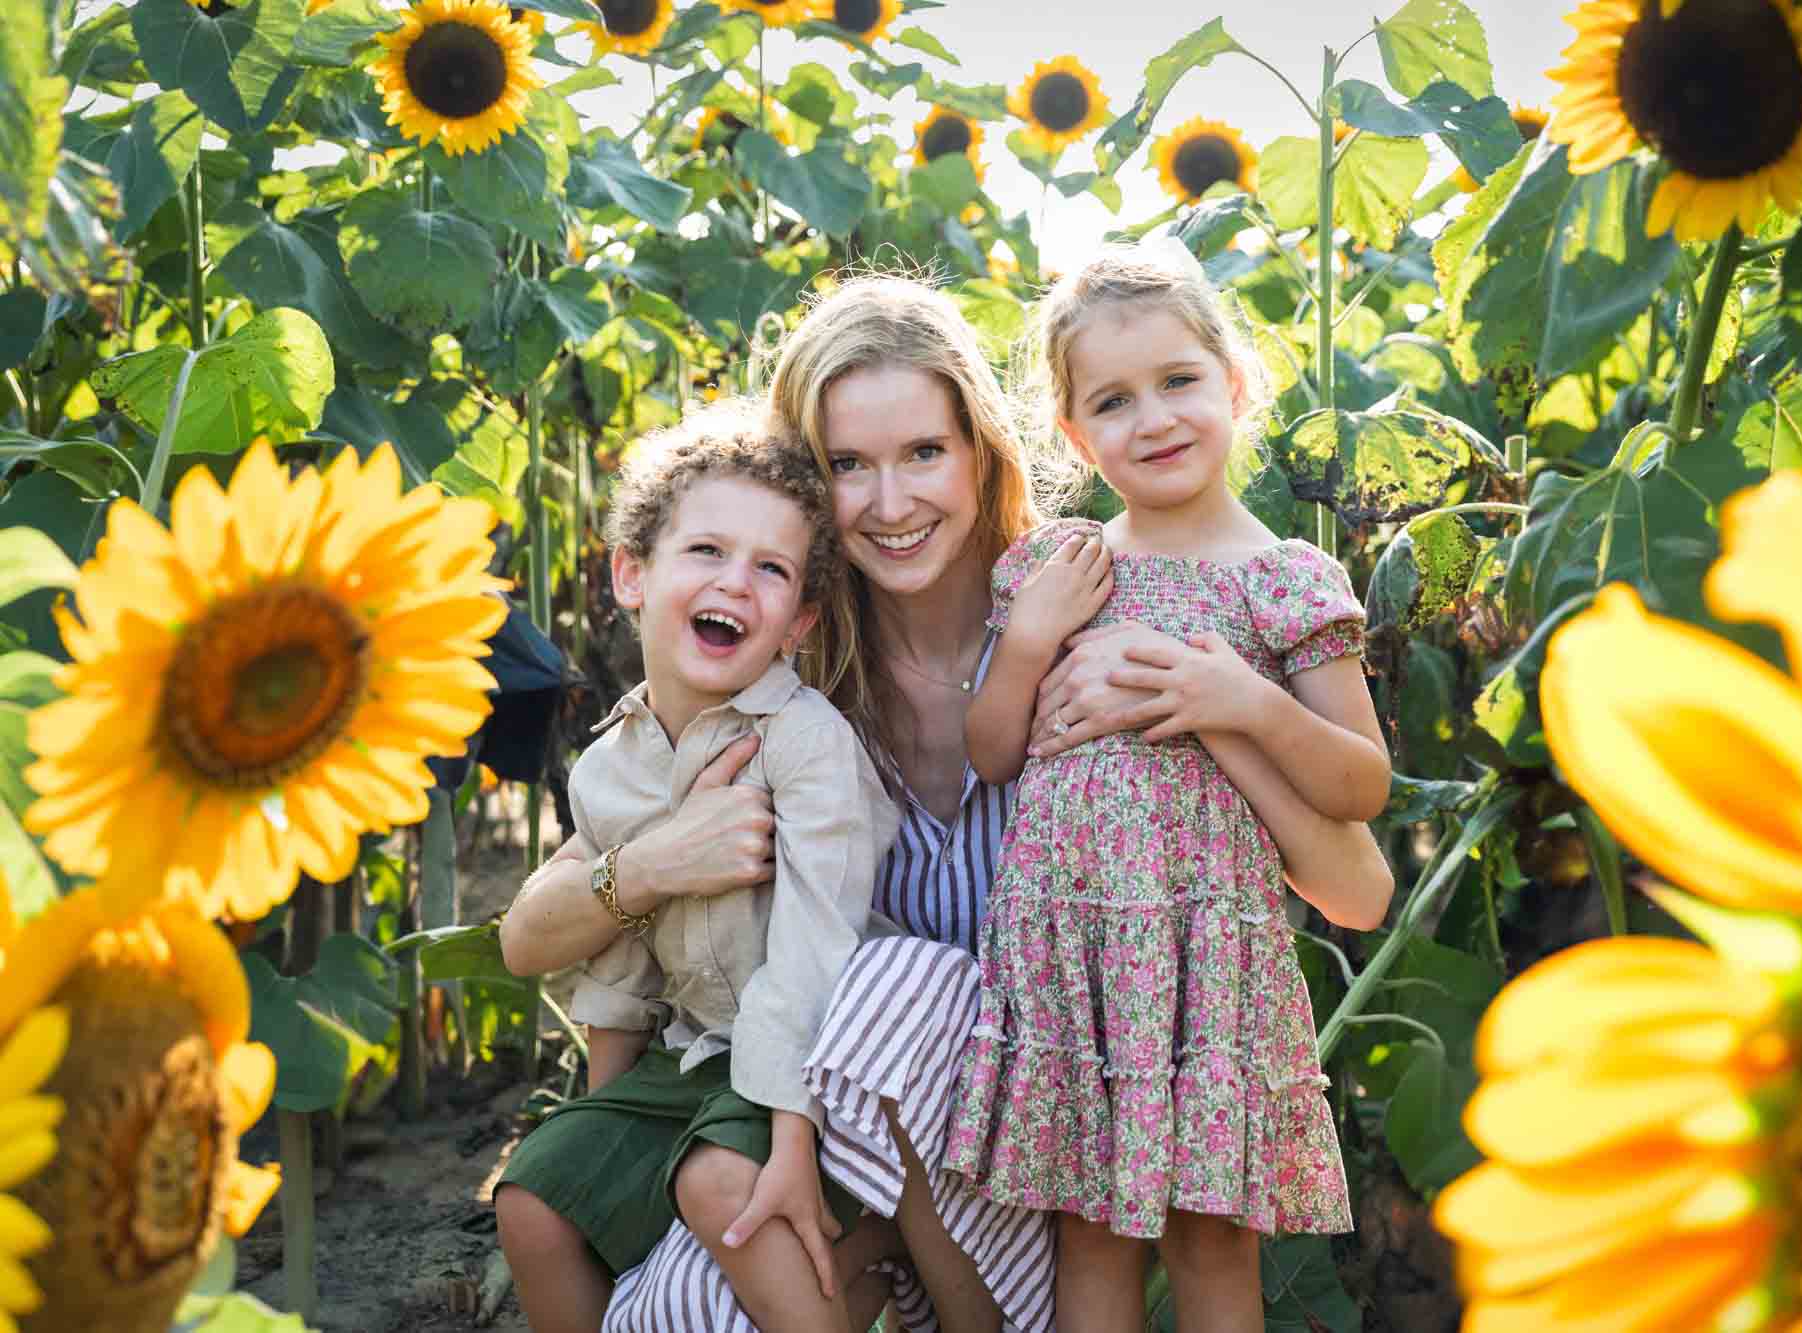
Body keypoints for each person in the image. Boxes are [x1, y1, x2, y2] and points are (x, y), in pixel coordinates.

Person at [504, 273, 1391, 1333]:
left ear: (982, 448)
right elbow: (531, 930)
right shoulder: (783, 683)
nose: (890, 503)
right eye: (845, 467)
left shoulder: (1087, 610)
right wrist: (650, 862)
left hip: (1058, 1132)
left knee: (891, 985)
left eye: (922, 452)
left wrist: (1213, 712)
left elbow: (1356, 885)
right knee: (674, 1316)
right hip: (841, 1152)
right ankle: (877, 1272)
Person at [942, 241, 1395, 1333]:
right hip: (1072, 951)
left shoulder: (1283, 577)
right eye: (1112, 400)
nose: (1151, 419)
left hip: (1207, 955)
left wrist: (1237, 698)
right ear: (1072, 434)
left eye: (1178, 382)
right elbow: (991, 751)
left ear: (1233, 384)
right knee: (1087, 1227)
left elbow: (1360, 781)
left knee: (1210, 1231)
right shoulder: (1060, 568)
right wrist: (1027, 642)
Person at [494, 399, 906, 1333]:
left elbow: (811, 957)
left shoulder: (802, 744)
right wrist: (605, 1135)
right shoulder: (608, 768)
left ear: (798, 622)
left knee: (723, 1182)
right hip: (694, 1062)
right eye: (707, 552)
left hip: (825, 1055)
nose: (737, 583)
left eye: (771, 569)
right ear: (631, 574)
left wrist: (792, 1137)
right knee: (533, 1199)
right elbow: (618, 960)